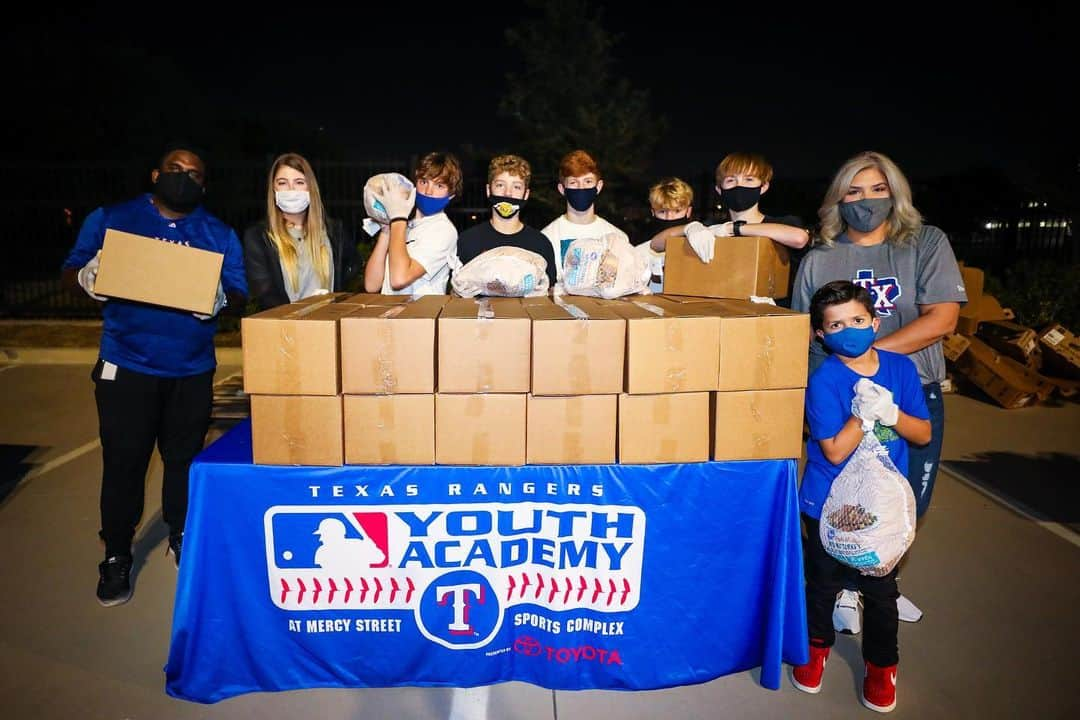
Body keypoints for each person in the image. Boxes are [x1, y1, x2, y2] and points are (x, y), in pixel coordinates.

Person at [61, 143, 247, 606]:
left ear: (204, 185)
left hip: (191, 369)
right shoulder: (112, 219)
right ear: (154, 174)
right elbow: (70, 269)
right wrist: (88, 278)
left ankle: (181, 533)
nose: (184, 177)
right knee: (125, 462)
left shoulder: (217, 233)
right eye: (175, 169)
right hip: (128, 364)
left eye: (194, 174)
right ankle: (117, 554)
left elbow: (240, 289)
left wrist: (221, 299)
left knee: (183, 459)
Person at [791, 150, 966, 630]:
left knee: (906, 497)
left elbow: (943, 318)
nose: (865, 200)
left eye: (877, 189)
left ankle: (880, 580)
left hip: (911, 389)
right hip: (838, 400)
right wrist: (829, 385)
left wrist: (872, 363)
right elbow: (804, 336)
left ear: (895, 194)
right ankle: (848, 588)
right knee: (843, 496)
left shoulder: (924, 243)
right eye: (853, 191)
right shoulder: (820, 258)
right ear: (837, 200)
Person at [791, 280, 931, 713]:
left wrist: (890, 412)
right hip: (827, 504)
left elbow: (922, 433)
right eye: (835, 325)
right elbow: (832, 449)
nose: (848, 330)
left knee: (881, 588)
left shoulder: (901, 370)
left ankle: (882, 666)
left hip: (881, 510)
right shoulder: (824, 381)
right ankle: (814, 652)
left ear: (875, 321)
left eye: (856, 320)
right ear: (820, 334)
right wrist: (860, 413)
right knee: (823, 583)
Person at [243, 153, 359, 310]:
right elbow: (264, 293)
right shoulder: (258, 237)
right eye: (282, 183)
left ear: (310, 187)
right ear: (274, 188)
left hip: (328, 324)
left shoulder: (334, 232)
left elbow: (352, 268)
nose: (291, 190)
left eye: (299, 182)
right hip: (285, 329)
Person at [682, 152, 809, 265]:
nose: (739, 185)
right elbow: (661, 242)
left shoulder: (783, 223)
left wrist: (733, 228)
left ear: (763, 187)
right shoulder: (713, 227)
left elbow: (799, 238)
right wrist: (690, 227)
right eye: (731, 180)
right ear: (719, 189)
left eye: (749, 179)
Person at [363, 152, 461, 296]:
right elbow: (371, 285)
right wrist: (385, 231)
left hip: (419, 316)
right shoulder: (404, 225)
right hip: (390, 314)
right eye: (424, 182)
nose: (428, 191)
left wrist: (397, 219)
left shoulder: (443, 230)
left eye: (439, 185)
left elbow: (399, 279)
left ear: (451, 195)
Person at [454, 154, 558, 287]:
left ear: (526, 194)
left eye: (516, 187)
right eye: (500, 185)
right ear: (488, 190)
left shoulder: (541, 244)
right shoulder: (467, 241)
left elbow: (548, 294)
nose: (508, 193)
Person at [540, 149, 630, 285]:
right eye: (573, 183)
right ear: (562, 189)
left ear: (598, 187)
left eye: (588, 181)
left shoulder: (618, 237)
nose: (581, 188)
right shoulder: (547, 237)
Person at [633, 177, 696, 293]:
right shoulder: (641, 240)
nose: (669, 218)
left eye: (677, 211)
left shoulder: (697, 240)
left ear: (688, 211)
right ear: (653, 212)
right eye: (662, 212)